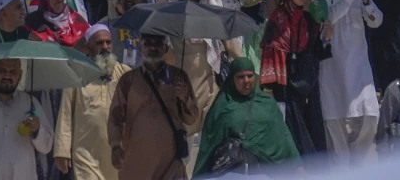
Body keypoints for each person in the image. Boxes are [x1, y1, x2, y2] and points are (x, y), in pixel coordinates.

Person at [313, 0, 382, 162]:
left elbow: (377, 21)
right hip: (334, 68)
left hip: (359, 67)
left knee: (370, 117)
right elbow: (328, 18)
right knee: (336, 129)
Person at [107, 34, 200, 180]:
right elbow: (115, 117)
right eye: (148, 43)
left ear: (166, 48)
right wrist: (115, 146)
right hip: (137, 163)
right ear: (141, 47)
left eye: (158, 43)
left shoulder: (178, 77)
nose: (153, 47)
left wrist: (184, 98)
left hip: (170, 162)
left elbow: (192, 118)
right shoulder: (128, 80)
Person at [193, 57, 299, 175]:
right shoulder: (222, 106)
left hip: (270, 170)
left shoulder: (267, 103)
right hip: (236, 171)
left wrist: (298, 165)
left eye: (250, 75)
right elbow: (209, 144)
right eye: (240, 77)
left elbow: (283, 134)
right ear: (232, 79)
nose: (246, 80)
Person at [55, 25, 128, 180]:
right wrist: (62, 150)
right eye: (99, 43)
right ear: (88, 46)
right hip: (86, 155)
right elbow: (66, 114)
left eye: (108, 42)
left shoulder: (126, 74)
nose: (105, 47)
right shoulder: (76, 76)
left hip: (119, 151)